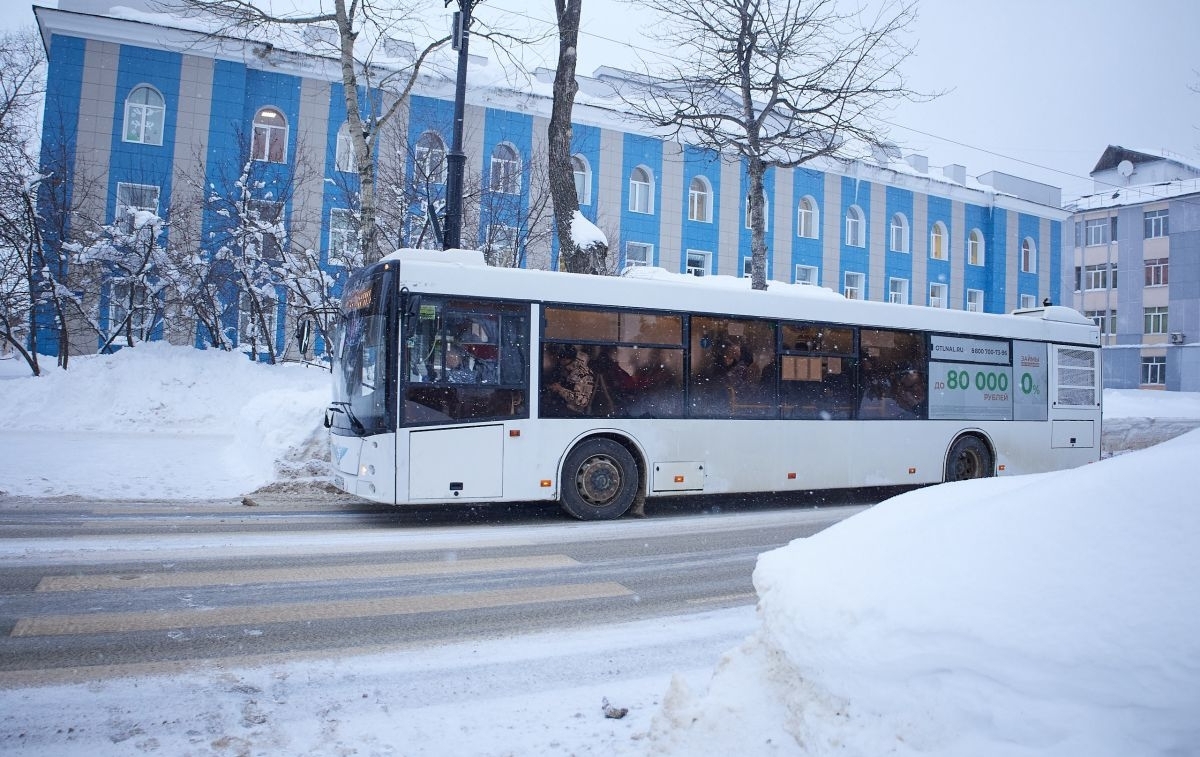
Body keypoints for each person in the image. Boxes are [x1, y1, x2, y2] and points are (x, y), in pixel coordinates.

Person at [542, 345, 595, 416]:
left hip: (572, 413)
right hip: (556, 407)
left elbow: (581, 401)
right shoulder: (559, 368)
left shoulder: (584, 374)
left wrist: (560, 390)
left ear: (565, 359)